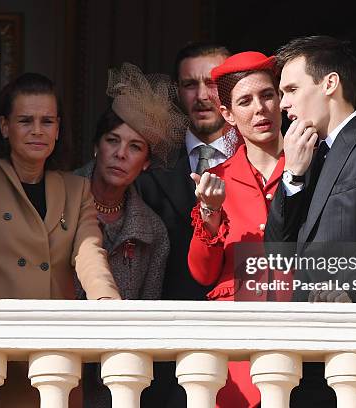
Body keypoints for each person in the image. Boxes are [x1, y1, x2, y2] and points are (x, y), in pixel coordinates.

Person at [0, 73, 120, 407]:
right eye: (25, 120)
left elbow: (89, 252)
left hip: (54, 353)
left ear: (57, 128)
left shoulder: (75, 188)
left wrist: (105, 299)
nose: (38, 130)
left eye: (47, 121)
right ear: (4, 126)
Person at [264, 35, 356, 408]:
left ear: (329, 83)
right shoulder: (302, 156)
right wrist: (293, 176)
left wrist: (351, 294)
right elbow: (277, 256)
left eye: (291, 89)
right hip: (302, 352)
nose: (283, 104)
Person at [188, 51, 293, 408]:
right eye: (245, 101)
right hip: (235, 344)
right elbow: (202, 274)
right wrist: (209, 214)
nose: (260, 109)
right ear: (228, 115)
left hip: (299, 333)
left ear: (281, 99)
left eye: (267, 95)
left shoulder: (313, 168)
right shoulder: (214, 181)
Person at [74, 63, 181, 408]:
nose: (121, 154)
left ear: (146, 163)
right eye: (112, 140)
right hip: (54, 359)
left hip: (113, 377)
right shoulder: (59, 196)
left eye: (135, 147)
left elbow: (145, 317)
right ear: (96, 146)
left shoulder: (153, 231)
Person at [135, 42, 234, 408]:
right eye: (190, 84)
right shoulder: (149, 166)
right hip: (171, 346)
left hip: (249, 336)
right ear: (178, 91)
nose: (203, 95)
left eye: (213, 83)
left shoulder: (264, 157)